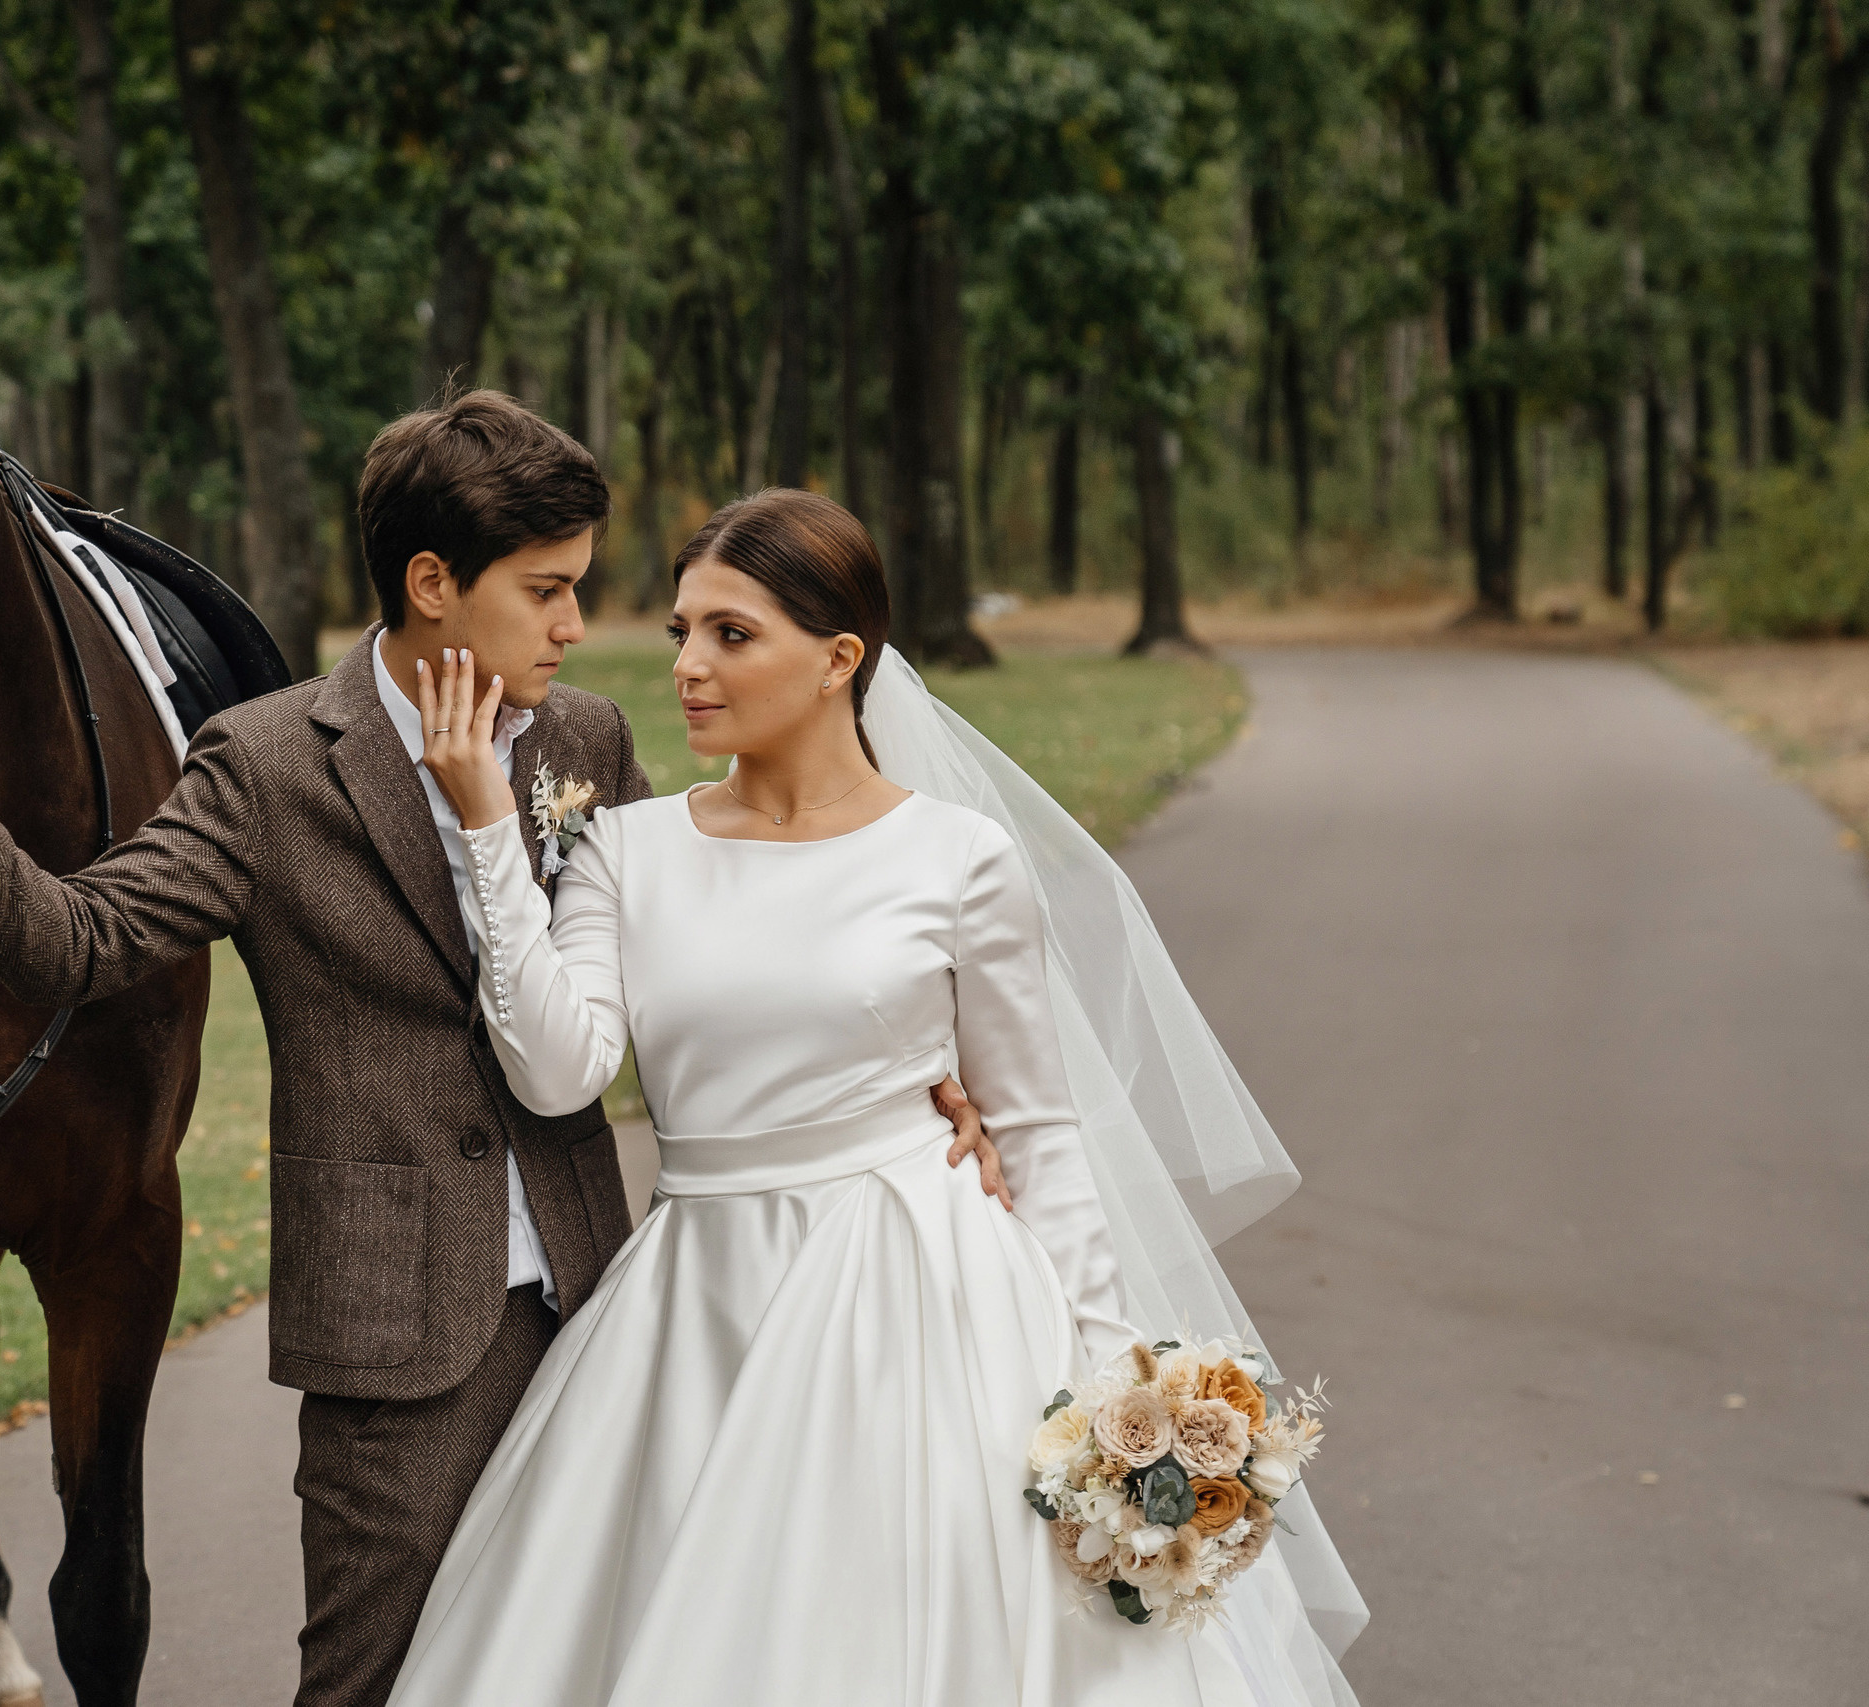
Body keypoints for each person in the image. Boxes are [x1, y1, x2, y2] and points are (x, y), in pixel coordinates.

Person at [0, 397, 1011, 1707]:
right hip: (395, 1335)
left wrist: (899, 1079)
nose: (576, 626)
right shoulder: (271, 763)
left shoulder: (586, 745)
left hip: (610, 1307)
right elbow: (84, 936)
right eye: (548, 590)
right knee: (372, 1674)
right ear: (435, 583)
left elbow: (699, 951)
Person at [386, 489, 1364, 1707]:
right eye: (683, 629)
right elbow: (554, 1069)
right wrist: (487, 824)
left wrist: (1121, 1381)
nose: (686, 666)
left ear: (839, 658)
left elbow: (1038, 1130)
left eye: (731, 635)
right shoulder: (628, 851)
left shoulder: (955, 858)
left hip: (927, 1299)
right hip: (699, 1305)